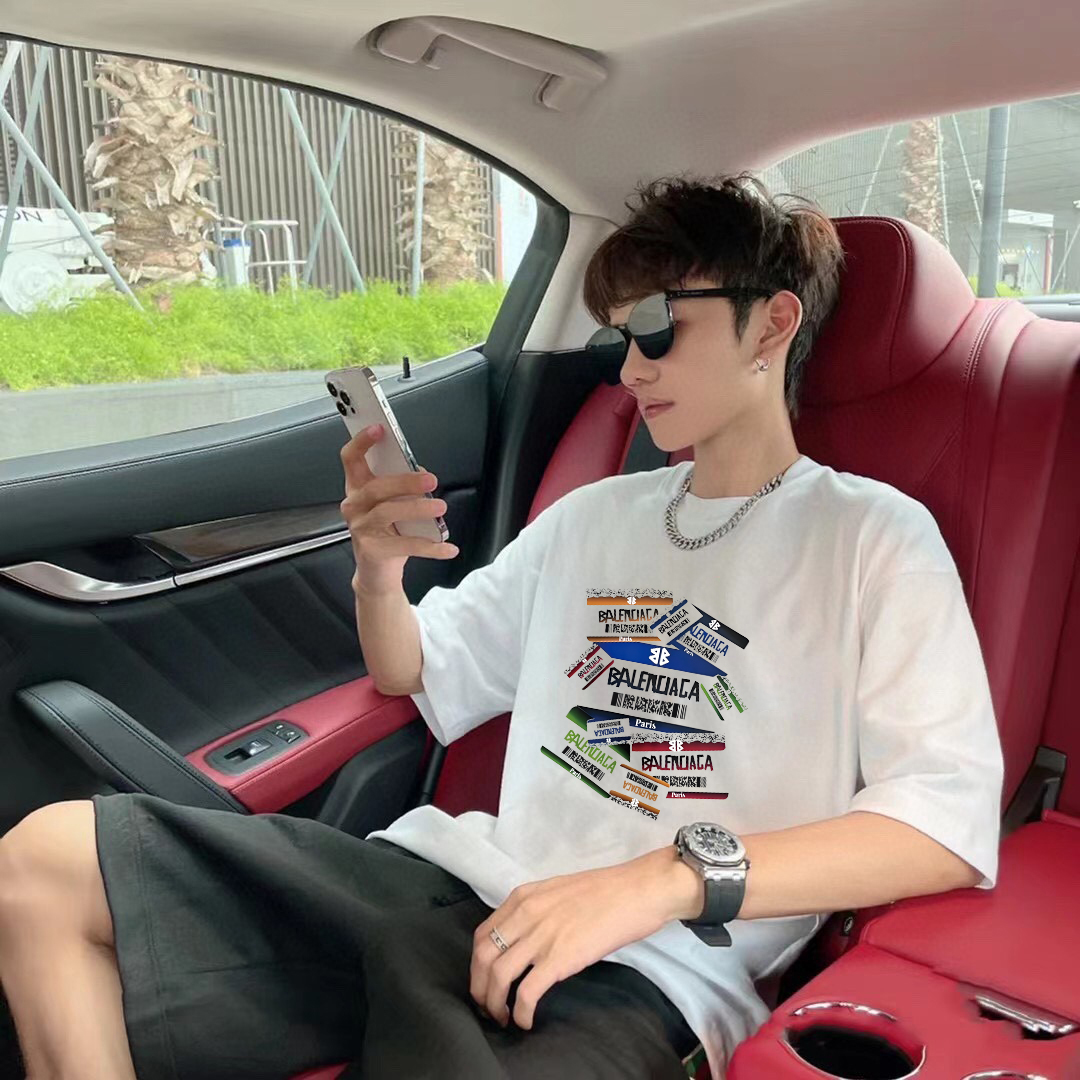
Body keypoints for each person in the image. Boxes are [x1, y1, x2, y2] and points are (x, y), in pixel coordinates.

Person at [0, 173, 1005, 1080]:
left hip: (644, 969)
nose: (631, 369)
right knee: (42, 864)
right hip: (438, 886)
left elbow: (940, 828)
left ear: (772, 324)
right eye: (619, 338)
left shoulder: (872, 536)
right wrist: (377, 572)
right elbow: (414, 673)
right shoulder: (591, 518)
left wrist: (657, 882)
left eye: (657, 328)